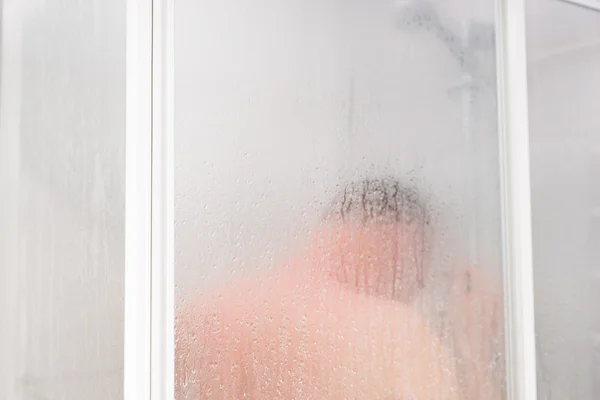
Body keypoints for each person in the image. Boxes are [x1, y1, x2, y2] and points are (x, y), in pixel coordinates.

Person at [175, 178, 504, 399]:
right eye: (416, 279)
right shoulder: (393, 335)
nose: (412, 293)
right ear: (404, 252)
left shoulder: (199, 314)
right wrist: (475, 353)